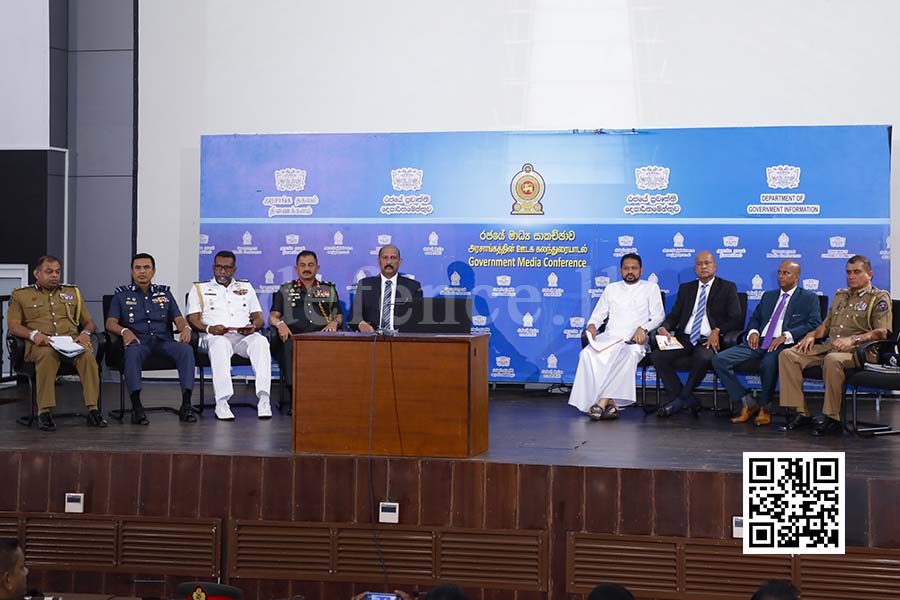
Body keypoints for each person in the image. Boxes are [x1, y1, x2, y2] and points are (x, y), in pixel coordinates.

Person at [778, 255, 891, 436]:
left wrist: (853, 339)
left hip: (860, 351)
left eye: (857, 272)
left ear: (870, 274)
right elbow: (826, 326)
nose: (851, 276)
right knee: (788, 355)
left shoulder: (878, 298)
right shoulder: (840, 295)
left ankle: (833, 418)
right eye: (848, 272)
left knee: (832, 360)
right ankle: (801, 412)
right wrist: (811, 335)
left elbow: (882, 332)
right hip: (831, 346)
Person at [711, 260, 821, 427]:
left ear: (797, 276)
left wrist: (787, 336)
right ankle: (747, 402)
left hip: (783, 343)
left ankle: (765, 407)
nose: (781, 276)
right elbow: (755, 318)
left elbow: (813, 323)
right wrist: (753, 332)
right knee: (719, 360)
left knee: (768, 363)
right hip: (759, 341)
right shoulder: (768, 296)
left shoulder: (808, 298)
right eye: (779, 272)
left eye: (786, 273)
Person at [7, 255, 106, 431]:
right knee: (47, 355)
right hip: (41, 345)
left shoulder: (72, 293)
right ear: (37, 273)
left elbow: (89, 323)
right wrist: (33, 335)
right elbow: (13, 326)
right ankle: (44, 412)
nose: (54, 275)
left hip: (70, 343)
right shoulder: (21, 295)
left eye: (57, 272)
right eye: (49, 271)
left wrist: (84, 333)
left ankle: (93, 410)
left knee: (87, 356)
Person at [568, 253, 665, 420]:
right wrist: (591, 326)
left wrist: (644, 328)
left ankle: (601, 403)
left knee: (628, 354)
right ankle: (610, 403)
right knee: (587, 354)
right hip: (611, 337)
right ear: (621, 271)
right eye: (626, 268)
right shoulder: (611, 288)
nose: (630, 271)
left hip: (635, 340)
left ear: (641, 270)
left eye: (634, 268)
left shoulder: (651, 288)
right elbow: (598, 315)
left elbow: (658, 316)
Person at [106, 253, 196, 425]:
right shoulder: (121, 295)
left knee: (186, 350)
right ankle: (137, 407)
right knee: (131, 353)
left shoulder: (165, 294)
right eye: (138, 268)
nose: (142, 272)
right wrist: (124, 330)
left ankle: (186, 404)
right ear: (132, 272)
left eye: (146, 268)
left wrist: (185, 327)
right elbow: (110, 323)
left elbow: (178, 318)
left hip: (163, 342)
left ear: (153, 272)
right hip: (139, 342)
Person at [653, 250, 742, 417]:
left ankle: (679, 401)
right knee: (658, 356)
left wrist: (717, 331)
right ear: (695, 268)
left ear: (715, 266)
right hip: (684, 338)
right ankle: (686, 399)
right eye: (700, 264)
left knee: (703, 357)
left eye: (707, 263)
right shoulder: (686, 288)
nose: (703, 267)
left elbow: (736, 319)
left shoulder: (727, 287)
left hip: (709, 339)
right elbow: (675, 315)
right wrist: (664, 327)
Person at [186, 250, 272, 421]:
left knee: (261, 342)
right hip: (212, 337)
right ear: (213, 268)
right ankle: (222, 402)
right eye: (218, 267)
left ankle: (264, 399)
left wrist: (253, 327)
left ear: (234, 269)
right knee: (220, 344)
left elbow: (259, 317)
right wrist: (210, 328)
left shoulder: (245, 287)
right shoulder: (200, 288)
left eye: (227, 268)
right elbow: (192, 319)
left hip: (241, 336)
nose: (222, 272)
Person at [269, 250, 343, 392]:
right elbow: (273, 316)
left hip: (321, 338)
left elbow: (338, 316)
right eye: (302, 265)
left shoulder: (328, 289)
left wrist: (334, 323)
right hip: (293, 338)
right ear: (296, 269)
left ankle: (329, 394)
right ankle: (295, 396)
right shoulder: (286, 289)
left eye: (310, 265)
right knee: (288, 344)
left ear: (317, 268)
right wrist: (280, 324)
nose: (307, 269)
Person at [349, 244, 423, 332]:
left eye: (393, 258)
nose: (388, 262)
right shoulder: (365, 284)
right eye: (385, 258)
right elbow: (354, 315)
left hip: (401, 339)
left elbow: (418, 317)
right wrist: (361, 324)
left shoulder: (413, 286)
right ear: (378, 261)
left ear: (400, 261)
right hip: (373, 338)